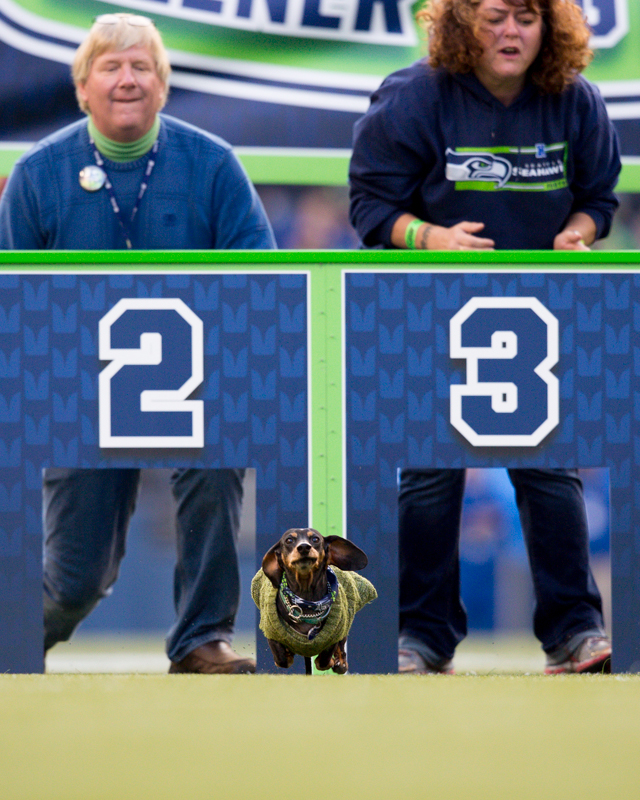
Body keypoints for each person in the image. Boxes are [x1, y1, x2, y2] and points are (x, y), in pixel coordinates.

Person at [349, 0, 620, 673]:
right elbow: (369, 208)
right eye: (496, 16)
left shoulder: (575, 102)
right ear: (463, 22)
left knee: (551, 472)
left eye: (527, 18)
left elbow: (600, 200)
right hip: (429, 308)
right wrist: (432, 238)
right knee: (428, 479)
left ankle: (575, 633)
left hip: (537, 318)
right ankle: (421, 638)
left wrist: (578, 234)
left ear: (549, 29)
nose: (511, 32)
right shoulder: (413, 96)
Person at [0, 13, 276, 673]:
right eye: (112, 66)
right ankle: (11, 642)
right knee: (74, 582)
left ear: (163, 85)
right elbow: (16, 307)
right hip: (83, 394)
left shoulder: (214, 165)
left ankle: (202, 641)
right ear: (82, 87)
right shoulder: (38, 175)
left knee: (219, 458)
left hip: (195, 385)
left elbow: (261, 282)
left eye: (141, 66)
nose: (127, 79)